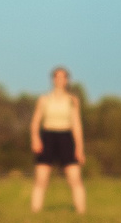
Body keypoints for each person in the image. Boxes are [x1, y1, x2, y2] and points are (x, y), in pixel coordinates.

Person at [28, 67, 87, 214]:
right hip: (48, 136)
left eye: (63, 77)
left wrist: (79, 148)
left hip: (66, 137)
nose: (60, 80)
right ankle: (35, 211)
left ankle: (81, 211)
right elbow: (35, 122)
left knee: (75, 178)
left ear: (67, 80)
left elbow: (77, 125)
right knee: (41, 178)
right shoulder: (44, 100)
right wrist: (35, 138)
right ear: (53, 79)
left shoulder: (72, 100)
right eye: (57, 77)